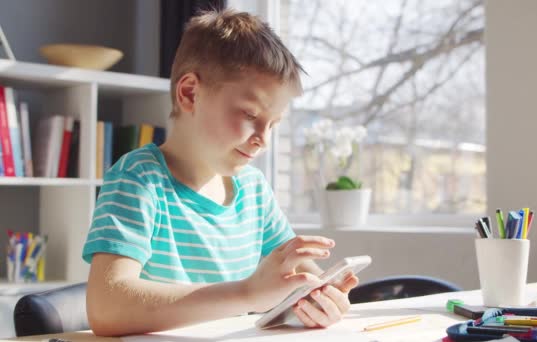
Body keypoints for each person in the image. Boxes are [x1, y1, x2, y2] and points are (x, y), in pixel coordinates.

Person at [82, 9, 359, 336]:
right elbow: (106, 308)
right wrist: (247, 294)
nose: (263, 139)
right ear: (189, 93)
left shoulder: (253, 189)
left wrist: (321, 298)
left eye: (273, 124)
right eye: (249, 114)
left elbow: (298, 275)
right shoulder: (139, 179)